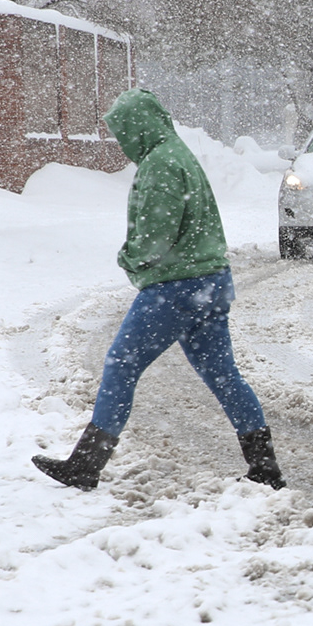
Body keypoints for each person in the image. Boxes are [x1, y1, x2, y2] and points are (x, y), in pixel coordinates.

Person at [33, 89, 285, 492]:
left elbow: (154, 239)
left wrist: (130, 258)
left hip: (176, 288)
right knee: (223, 374)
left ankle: (86, 463)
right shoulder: (178, 153)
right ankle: (264, 466)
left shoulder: (159, 165)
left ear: (137, 127)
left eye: (123, 133)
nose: (123, 143)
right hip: (212, 280)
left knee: (121, 364)